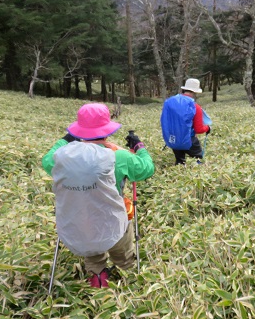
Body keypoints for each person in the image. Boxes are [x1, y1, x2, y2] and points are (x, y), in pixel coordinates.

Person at [42, 103, 154, 288]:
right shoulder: (118, 157)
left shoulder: (62, 157)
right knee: (122, 248)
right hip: (112, 224)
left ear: (79, 131)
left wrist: (66, 139)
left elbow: (47, 159)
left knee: (91, 243)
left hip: (79, 225)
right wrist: (139, 147)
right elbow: (147, 169)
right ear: (107, 130)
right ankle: (129, 273)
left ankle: (97, 277)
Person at [161, 78, 211, 165]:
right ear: (195, 92)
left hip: (173, 140)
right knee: (198, 162)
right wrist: (207, 128)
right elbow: (199, 129)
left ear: (184, 89)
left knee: (180, 163)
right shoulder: (195, 107)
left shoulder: (169, 102)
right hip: (189, 140)